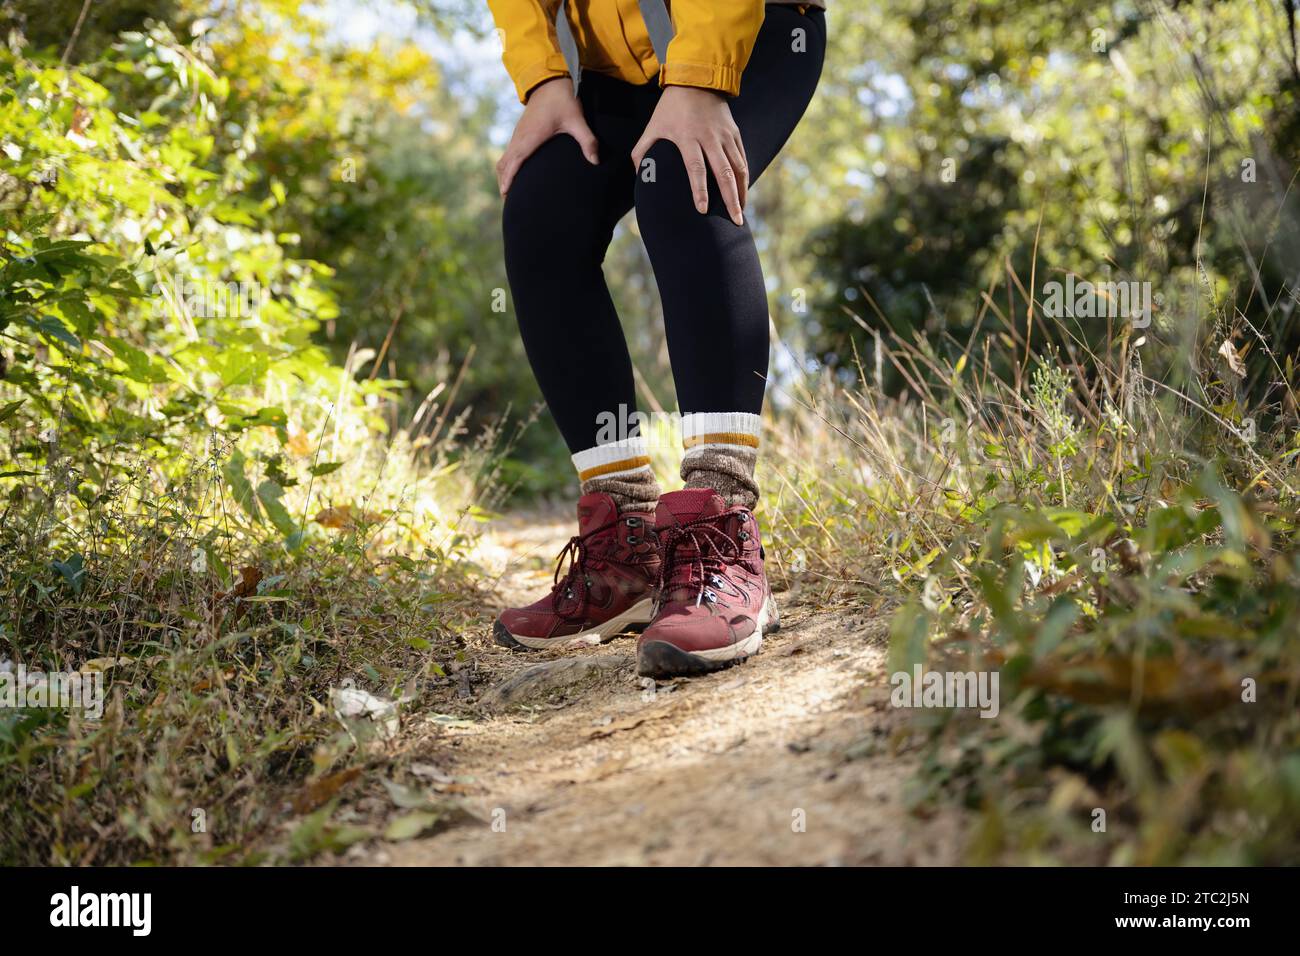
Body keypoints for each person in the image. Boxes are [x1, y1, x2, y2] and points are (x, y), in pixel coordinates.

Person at [487, 0, 826, 677]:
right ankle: (626, 547)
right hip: (612, 63)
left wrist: (699, 78)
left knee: (679, 177)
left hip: (752, 30)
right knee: (541, 207)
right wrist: (544, 79)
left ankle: (722, 530)